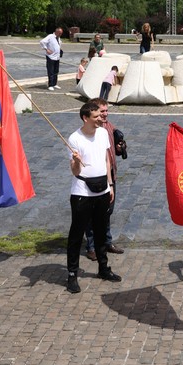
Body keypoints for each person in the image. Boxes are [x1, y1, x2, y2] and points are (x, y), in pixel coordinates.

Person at [65, 102, 122, 293]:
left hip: (103, 190)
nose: (101, 118)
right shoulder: (74, 139)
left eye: (100, 115)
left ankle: (103, 269)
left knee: (101, 232)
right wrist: (76, 161)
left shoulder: (103, 133)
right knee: (76, 235)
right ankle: (72, 275)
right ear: (85, 118)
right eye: (96, 116)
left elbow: (107, 160)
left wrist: (110, 184)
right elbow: (75, 172)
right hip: (82, 193)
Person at [84, 98, 125, 261]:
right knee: (92, 214)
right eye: (102, 111)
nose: (105, 114)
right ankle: (92, 246)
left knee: (107, 211)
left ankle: (106, 242)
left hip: (110, 175)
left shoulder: (108, 126)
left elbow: (113, 148)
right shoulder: (90, 131)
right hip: (95, 177)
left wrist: (120, 147)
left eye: (107, 111)